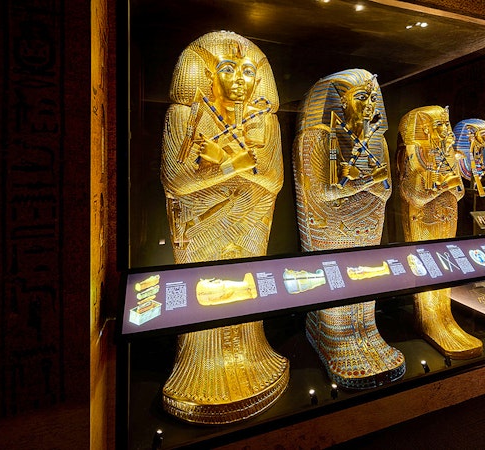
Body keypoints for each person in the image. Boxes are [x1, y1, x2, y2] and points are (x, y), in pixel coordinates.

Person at [159, 30, 289, 424]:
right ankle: (199, 361)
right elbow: (176, 179)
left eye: (249, 71)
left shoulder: (264, 121)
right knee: (207, 290)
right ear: (205, 75)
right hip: (202, 224)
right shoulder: (186, 115)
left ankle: (252, 349)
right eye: (228, 69)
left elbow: (274, 179)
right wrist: (236, 165)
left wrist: (224, 164)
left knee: (246, 285)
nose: (239, 79)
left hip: (250, 218)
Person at [292, 68, 405, 389]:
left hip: (368, 220)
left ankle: (367, 329)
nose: (369, 104)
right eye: (360, 97)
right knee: (336, 279)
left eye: (372, 97)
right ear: (339, 102)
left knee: (365, 277)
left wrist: (360, 182)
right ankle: (332, 334)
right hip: (330, 222)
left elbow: (385, 189)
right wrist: (365, 182)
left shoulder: (377, 141)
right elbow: (323, 192)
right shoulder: (318, 137)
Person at [397, 105, 483, 359]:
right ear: (424, 128)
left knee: (444, 269)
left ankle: (445, 317)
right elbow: (413, 195)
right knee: (427, 270)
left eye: (447, 125)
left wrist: (448, 186)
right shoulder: (413, 152)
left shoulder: (447, 153)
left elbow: (458, 193)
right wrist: (443, 185)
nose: (447, 131)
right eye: (440, 126)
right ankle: (429, 319)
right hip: (423, 220)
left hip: (446, 216)